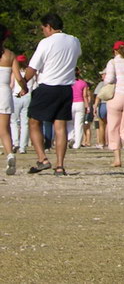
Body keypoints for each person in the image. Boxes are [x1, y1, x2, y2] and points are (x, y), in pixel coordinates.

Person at [24, 13, 82, 175]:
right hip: (66, 88)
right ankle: (60, 165)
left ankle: (42, 158)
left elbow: (33, 67)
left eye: (43, 28)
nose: (43, 31)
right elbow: (76, 57)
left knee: (34, 121)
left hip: (48, 86)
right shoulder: (74, 41)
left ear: (48, 27)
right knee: (60, 127)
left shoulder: (46, 43)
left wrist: (23, 83)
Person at [0, 26, 28, 175]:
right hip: (4, 91)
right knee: (4, 129)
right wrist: (25, 87)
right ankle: (10, 154)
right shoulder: (10, 55)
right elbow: (18, 78)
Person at [11, 54, 31, 154]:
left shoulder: (15, 72)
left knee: (13, 121)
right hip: (28, 97)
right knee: (25, 123)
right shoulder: (30, 72)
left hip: (16, 96)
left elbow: (11, 85)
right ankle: (23, 147)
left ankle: (16, 142)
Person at [69, 70, 90, 150]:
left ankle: (71, 137)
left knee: (70, 122)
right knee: (79, 124)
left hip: (70, 103)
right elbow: (85, 95)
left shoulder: (68, 82)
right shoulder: (83, 83)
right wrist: (87, 106)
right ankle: (77, 144)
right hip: (80, 103)